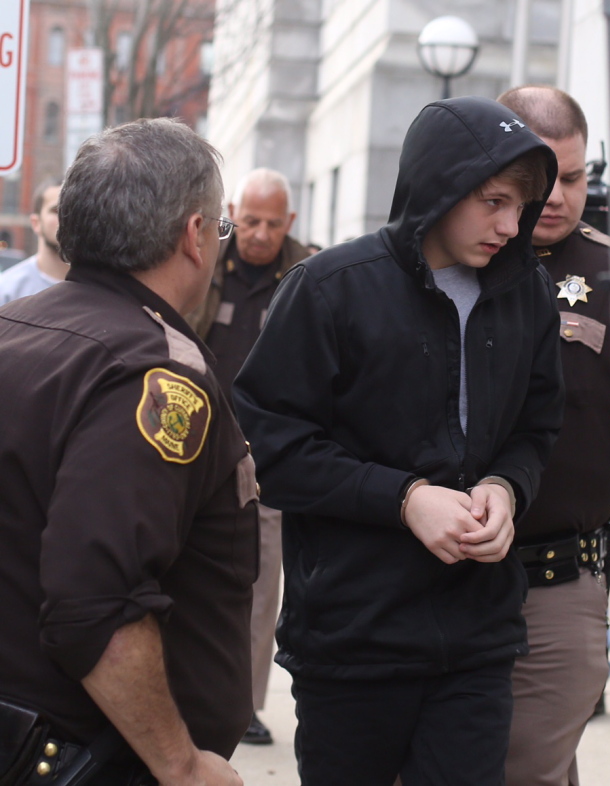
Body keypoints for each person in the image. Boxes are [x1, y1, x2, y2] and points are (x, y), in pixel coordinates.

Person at [232, 96, 564, 785]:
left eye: (519, 206)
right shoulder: (328, 289)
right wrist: (405, 499)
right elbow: (273, 446)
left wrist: (507, 487)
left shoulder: (527, 291)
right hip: (354, 638)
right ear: (439, 185)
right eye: (493, 202)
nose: (510, 225)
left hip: (477, 637)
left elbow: (537, 428)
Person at [0, 118, 257, 786]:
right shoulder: (154, 371)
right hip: (85, 757)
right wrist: (181, 765)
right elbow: (96, 602)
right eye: (221, 228)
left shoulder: (15, 329)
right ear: (193, 236)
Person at [494, 85, 610, 786]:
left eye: (574, 178)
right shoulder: (452, 262)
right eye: (544, 178)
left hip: (558, 578)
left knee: (523, 766)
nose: (560, 198)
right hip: (441, 575)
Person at [187, 167, 310, 746]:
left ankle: (246, 704)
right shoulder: (205, 259)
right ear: (233, 212)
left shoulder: (308, 274)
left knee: (261, 588)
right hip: (198, 448)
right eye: (251, 220)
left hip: (268, 459)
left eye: (272, 223)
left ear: (290, 221)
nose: (260, 233)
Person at [0, 178, 68, 304]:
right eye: (56, 211)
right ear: (36, 223)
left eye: (72, 211)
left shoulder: (99, 287)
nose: (65, 218)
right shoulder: (8, 290)